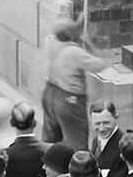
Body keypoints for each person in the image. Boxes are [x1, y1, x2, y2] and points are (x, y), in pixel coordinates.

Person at [40, 22, 103, 150]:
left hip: (49, 94)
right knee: (77, 142)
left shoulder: (50, 42)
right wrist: (91, 44)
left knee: (50, 140)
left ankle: (48, 167)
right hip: (68, 99)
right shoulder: (74, 52)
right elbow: (99, 65)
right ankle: (79, 168)